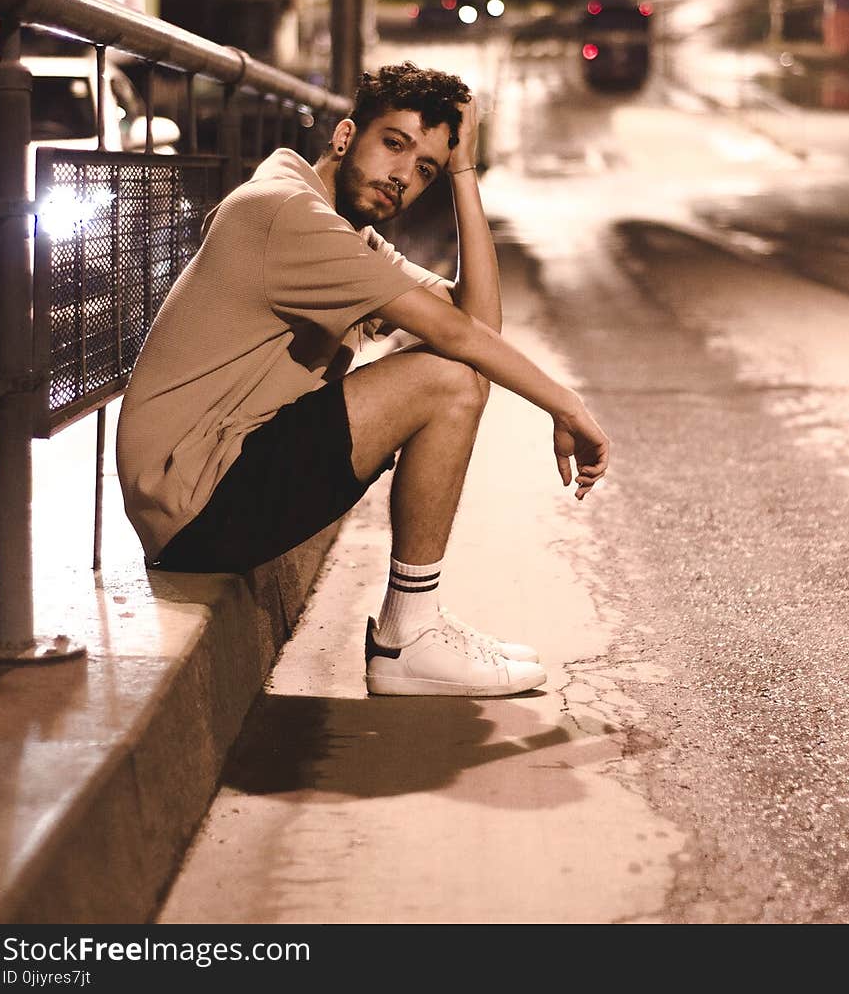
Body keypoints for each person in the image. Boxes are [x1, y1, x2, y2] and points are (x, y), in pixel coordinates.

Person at [116, 62, 610, 697]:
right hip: (197, 501)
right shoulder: (287, 214)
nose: (403, 176)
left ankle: (413, 627)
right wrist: (566, 405)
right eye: (395, 144)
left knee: (458, 372)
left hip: (216, 485)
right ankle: (409, 636)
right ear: (346, 137)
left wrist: (464, 173)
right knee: (446, 380)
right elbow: (462, 345)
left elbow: (478, 325)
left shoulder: (350, 237)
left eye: (425, 168)